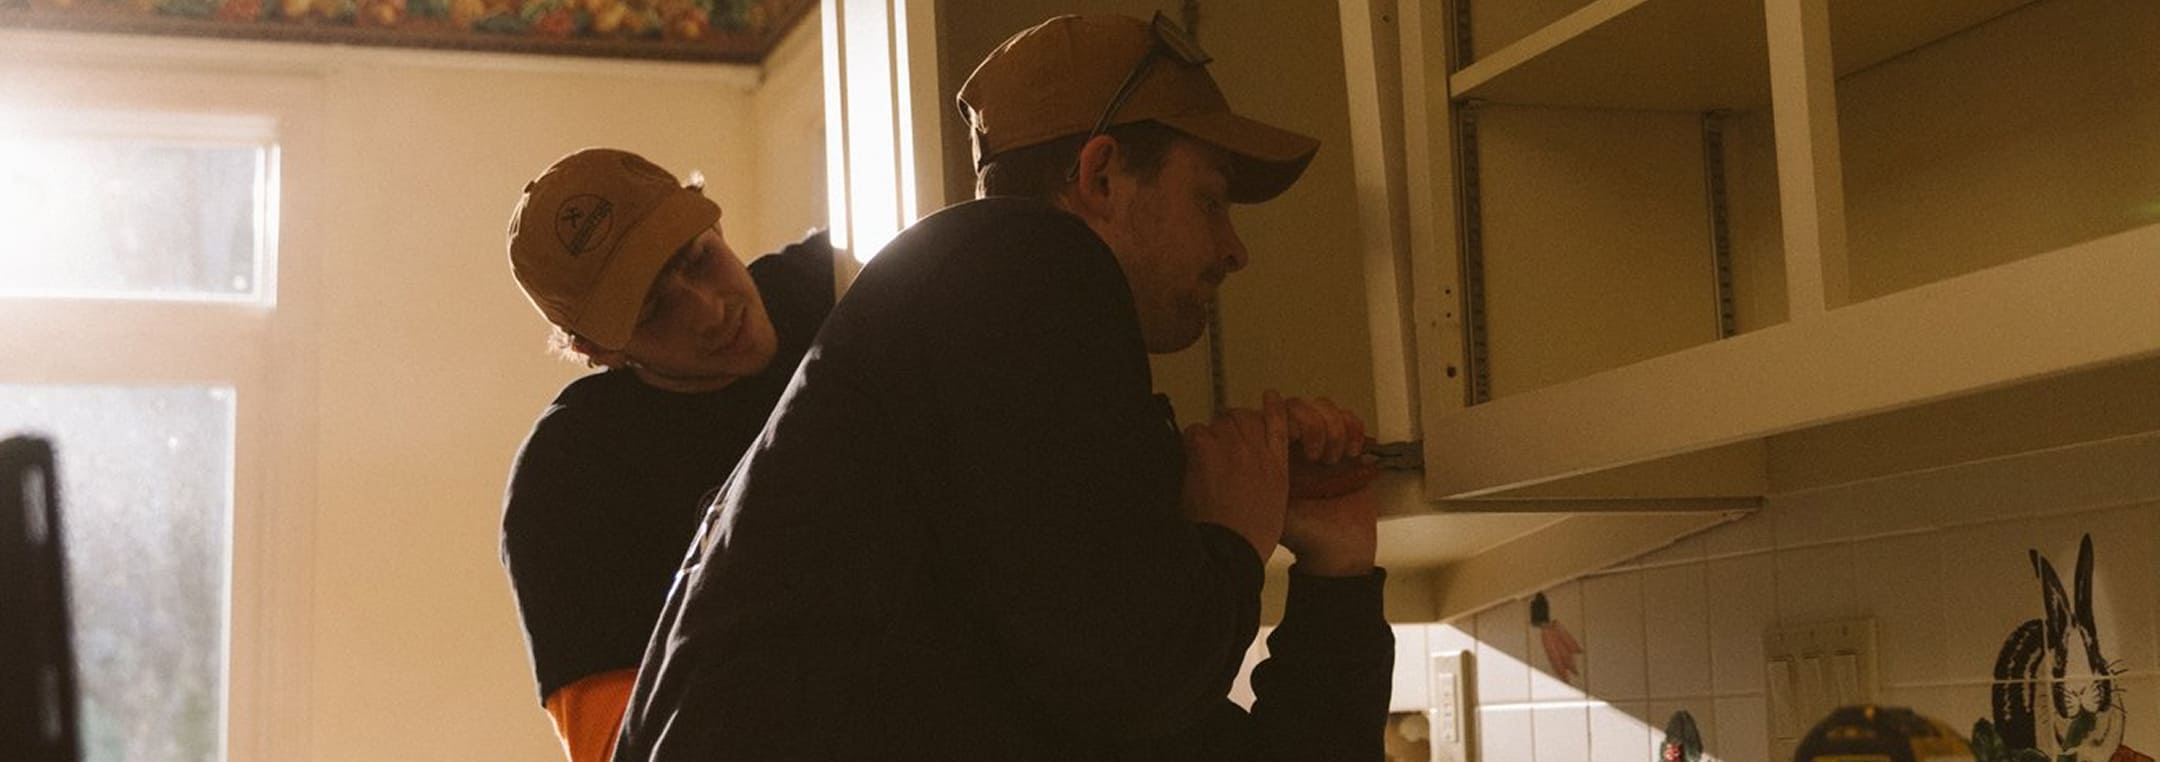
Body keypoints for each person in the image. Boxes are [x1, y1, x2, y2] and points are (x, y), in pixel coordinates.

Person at [614, 12, 1394, 760]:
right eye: (1210, 200)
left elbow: (1169, 719)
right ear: (1103, 173)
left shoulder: (990, 450)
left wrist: (1339, 570)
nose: (1233, 250)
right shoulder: (1019, 261)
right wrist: (1232, 538)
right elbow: (1141, 678)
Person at [497, 147, 837, 762]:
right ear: (597, 349)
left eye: (699, 259)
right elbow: (622, 749)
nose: (710, 311)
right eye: (655, 310)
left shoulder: (845, 281)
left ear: (712, 221)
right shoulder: (568, 485)